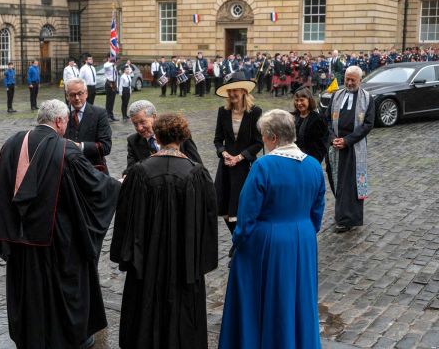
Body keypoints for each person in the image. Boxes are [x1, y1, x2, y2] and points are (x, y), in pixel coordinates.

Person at [0, 99, 120, 349]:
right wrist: (118, 184)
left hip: (19, 235)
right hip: (57, 239)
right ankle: (67, 337)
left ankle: (30, 334)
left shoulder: (11, 143)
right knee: (60, 290)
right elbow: (94, 188)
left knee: (29, 290)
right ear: (60, 121)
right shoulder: (66, 150)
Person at [219, 109, 325, 349]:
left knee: (266, 299)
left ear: (274, 137)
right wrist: (304, 232)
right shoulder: (313, 166)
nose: (263, 141)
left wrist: (239, 243)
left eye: (264, 136)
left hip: (269, 241)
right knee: (299, 298)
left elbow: (247, 215)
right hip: (304, 239)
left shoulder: (264, 166)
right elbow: (317, 213)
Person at [111, 113, 218, 349]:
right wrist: (200, 259)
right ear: (183, 137)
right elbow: (208, 219)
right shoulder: (197, 173)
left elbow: (125, 218)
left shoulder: (139, 172)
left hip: (146, 262)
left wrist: (126, 255)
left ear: (157, 136)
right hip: (184, 263)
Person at [325, 65, 374, 233]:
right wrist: (333, 139)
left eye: (353, 79)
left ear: (360, 80)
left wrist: (347, 141)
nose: (350, 82)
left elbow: (367, 125)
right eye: (347, 79)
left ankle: (347, 219)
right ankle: (341, 215)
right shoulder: (336, 95)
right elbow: (327, 121)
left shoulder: (367, 98)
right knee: (336, 181)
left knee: (350, 184)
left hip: (354, 147)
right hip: (336, 146)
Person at [214, 71, 263, 236]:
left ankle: (242, 240)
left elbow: (258, 142)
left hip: (245, 167)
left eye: (235, 90)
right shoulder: (223, 111)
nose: (232, 93)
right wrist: (223, 153)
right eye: (229, 90)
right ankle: (236, 239)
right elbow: (217, 140)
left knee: (243, 206)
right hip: (226, 167)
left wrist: (240, 157)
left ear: (244, 91)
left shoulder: (255, 112)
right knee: (225, 207)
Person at [124, 100, 202, 176]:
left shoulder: (176, 133)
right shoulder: (133, 141)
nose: (139, 128)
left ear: (154, 117)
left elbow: (196, 163)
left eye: (142, 122)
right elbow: (130, 169)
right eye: (135, 124)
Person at [64, 78, 112, 174]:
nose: (77, 98)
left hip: (94, 171)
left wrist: (80, 146)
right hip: (68, 172)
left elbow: (106, 147)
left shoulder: (99, 114)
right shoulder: (61, 115)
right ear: (67, 96)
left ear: (86, 93)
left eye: (80, 93)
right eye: (73, 95)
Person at [292, 88, 328, 163]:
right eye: (297, 100)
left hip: (310, 160)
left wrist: (313, 161)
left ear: (309, 100)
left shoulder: (318, 119)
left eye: (302, 100)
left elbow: (321, 145)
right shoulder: (292, 116)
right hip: (293, 157)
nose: (299, 103)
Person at [103, 56, 119, 121]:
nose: (112, 59)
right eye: (111, 58)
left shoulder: (114, 66)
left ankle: (111, 115)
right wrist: (112, 63)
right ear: (108, 58)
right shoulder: (107, 64)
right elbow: (106, 66)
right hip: (109, 83)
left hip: (114, 83)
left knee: (112, 100)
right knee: (108, 100)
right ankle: (107, 115)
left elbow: (116, 75)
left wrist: (116, 84)